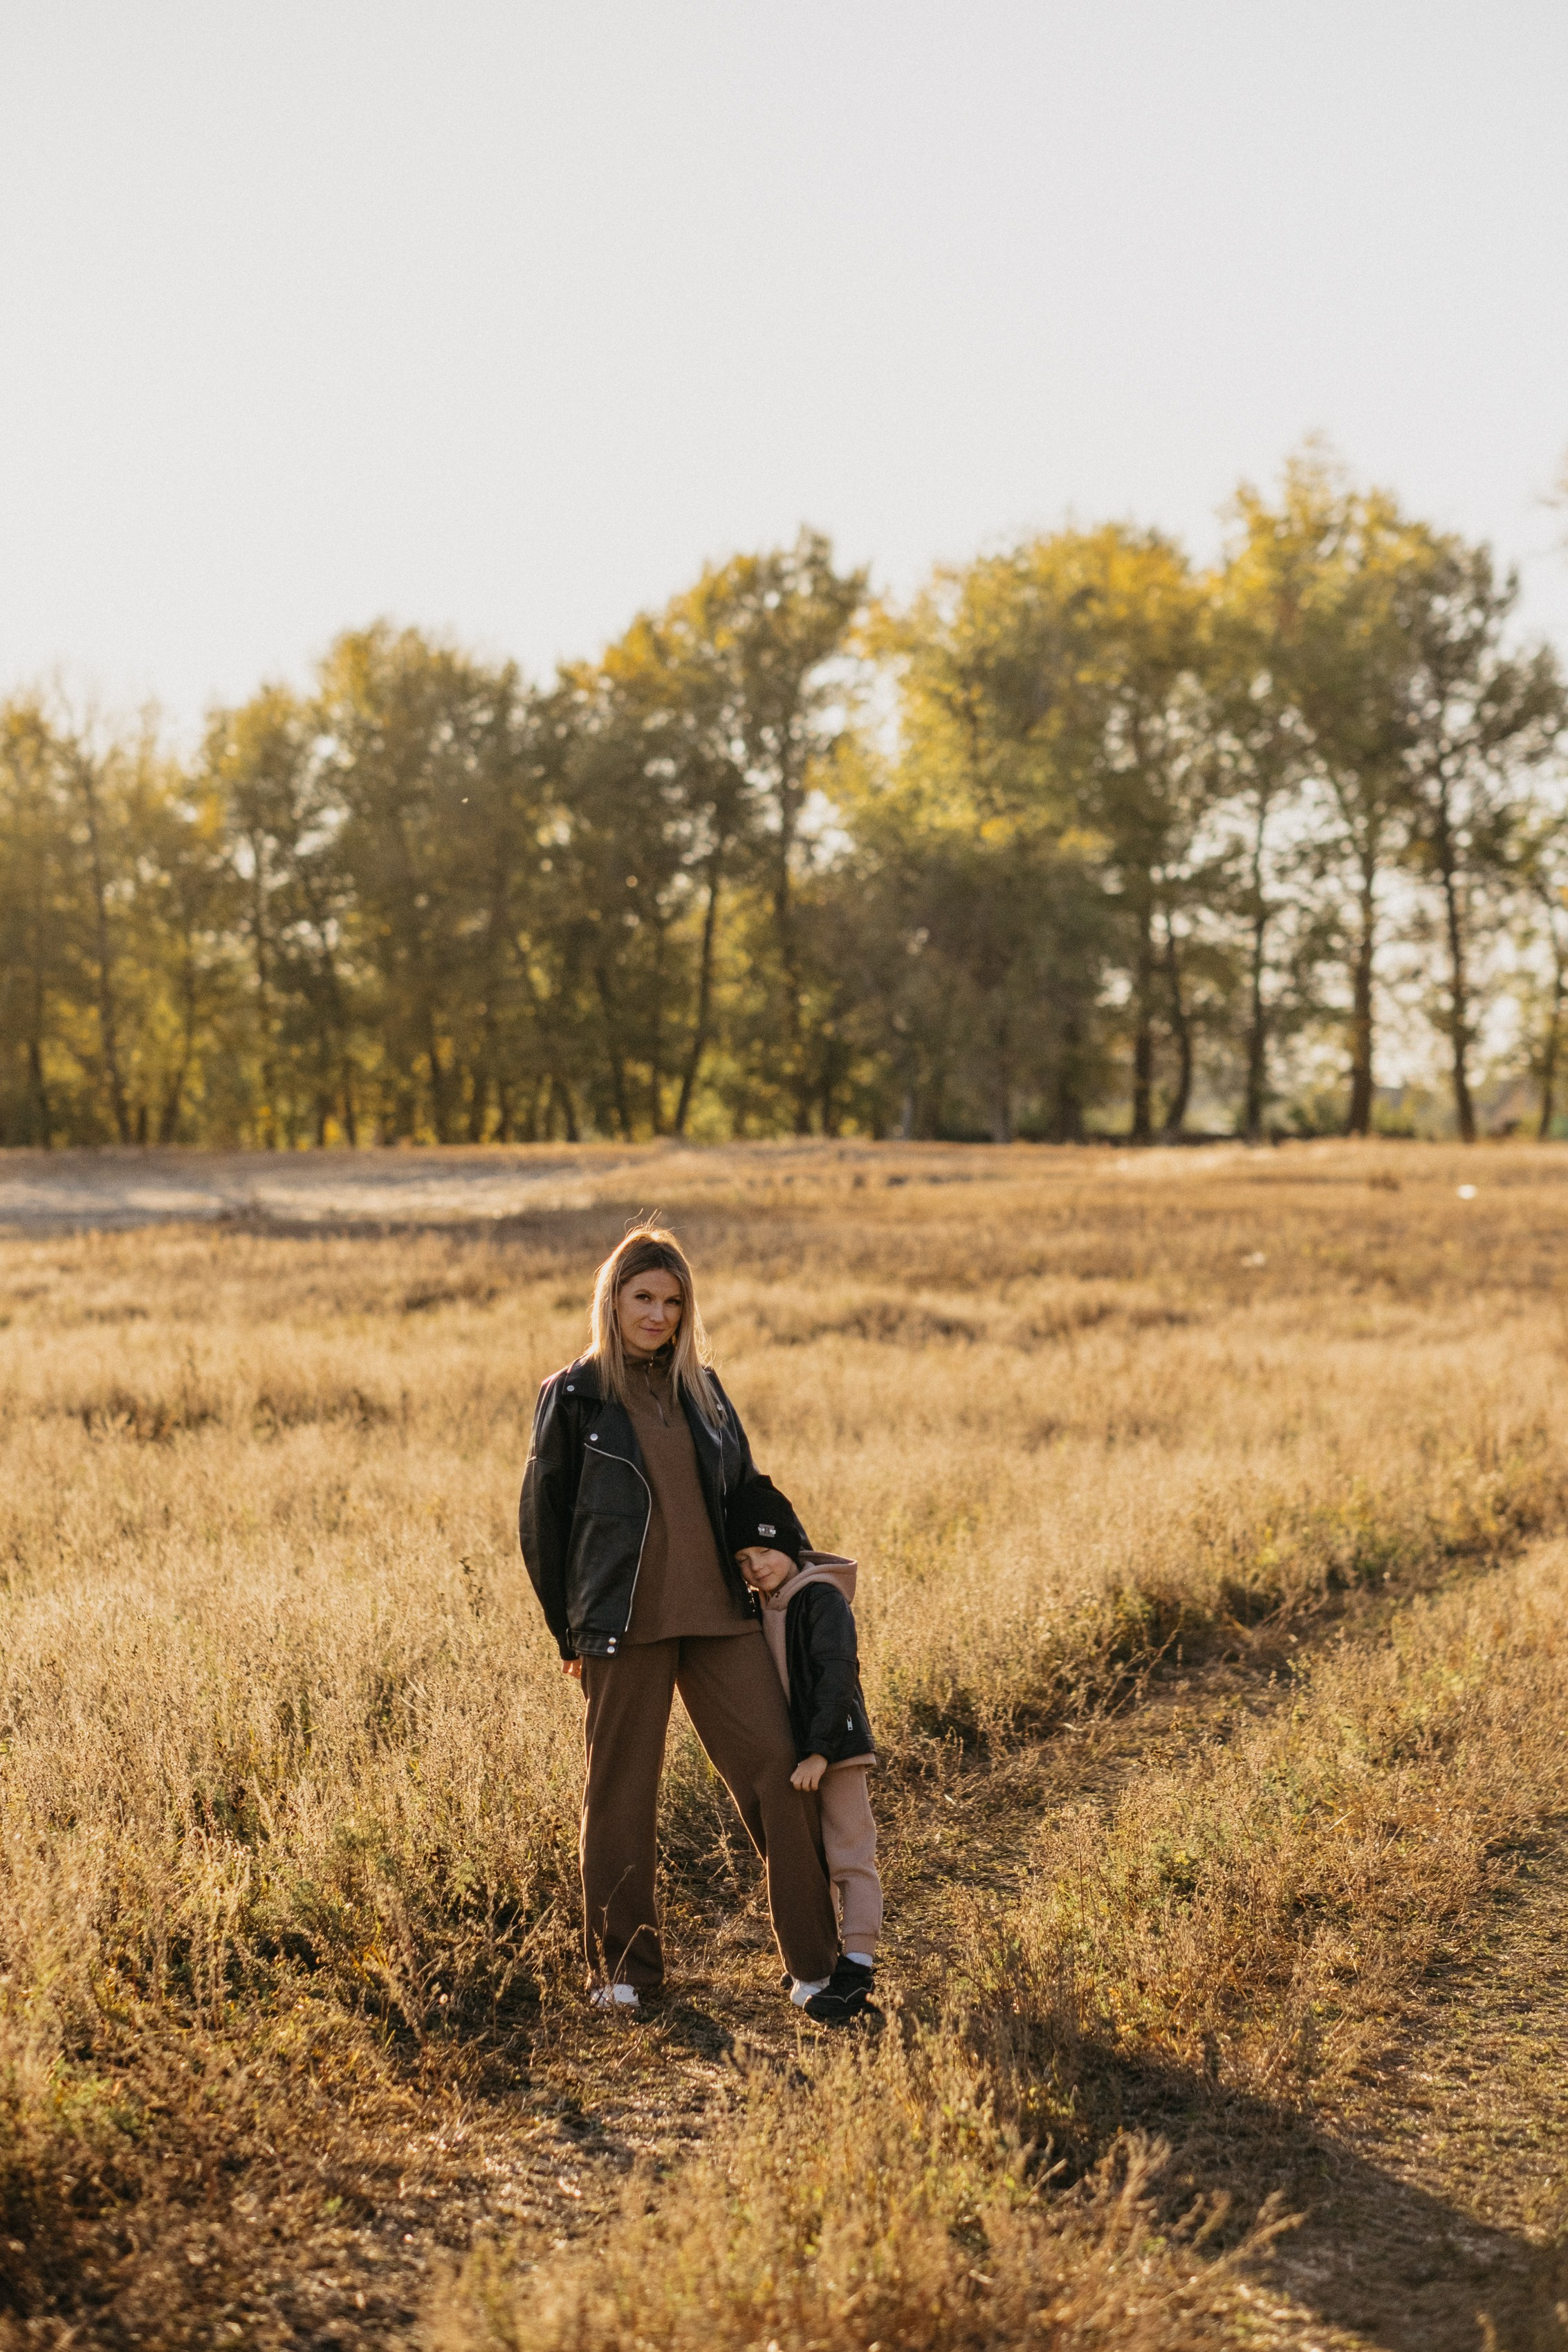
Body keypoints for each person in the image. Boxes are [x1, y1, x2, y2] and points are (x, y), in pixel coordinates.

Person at [518, 1226, 846, 2018]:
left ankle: (816, 1967)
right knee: (620, 1796)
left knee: (779, 1769)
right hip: (620, 1625)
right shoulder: (575, 1395)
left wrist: (783, 1550)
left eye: (672, 1301)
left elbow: (747, 1488)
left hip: (720, 1620)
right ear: (613, 1300)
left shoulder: (704, 1391)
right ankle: (626, 1975)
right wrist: (569, 1633)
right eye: (643, 1298)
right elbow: (542, 1520)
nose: (658, 1315)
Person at [739, 1536, 881, 2024]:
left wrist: (820, 1752)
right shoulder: (762, 1603)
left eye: (763, 1553)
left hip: (834, 1749)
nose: (756, 1568)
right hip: (796, 1754)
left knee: (850, 1854)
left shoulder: (821, 1596)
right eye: (742, 1561)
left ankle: (858, 1964)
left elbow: (837, 1675)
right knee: (809, 1857)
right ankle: (819, 1957)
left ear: (790, 1548)